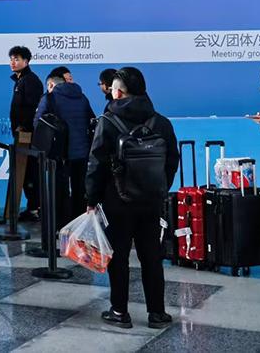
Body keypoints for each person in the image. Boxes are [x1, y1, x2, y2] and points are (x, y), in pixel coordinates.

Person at [87, 67, 179, 331]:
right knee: (152, 256)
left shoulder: (108, 122)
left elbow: (96, 164)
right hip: (151, 201)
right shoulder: (161, 122)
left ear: (117, 93)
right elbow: (172, 160)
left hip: (117, 201)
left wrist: (92, 198)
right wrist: (160, 189)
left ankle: (119, 311)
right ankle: (157, 313)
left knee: (118, 257)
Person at [34, 73, 95, 226]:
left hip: (60, 152)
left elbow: (38, 124)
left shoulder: (49, 98)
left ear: (51, 84)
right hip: (82, 151)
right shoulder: (82, 97)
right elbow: (91, 120)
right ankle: (79, 225)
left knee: (59, 191)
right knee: (80, 190)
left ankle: (59, 225)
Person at [8, 46, 44, 222]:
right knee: (26, 171)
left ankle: (35, 207)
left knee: (30, 171)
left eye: (17, 59)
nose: (13, 62)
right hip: (22, 133)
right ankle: (33, 207)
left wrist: (23, 126)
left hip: (28, 134)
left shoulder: (30, 81)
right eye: (11, 59)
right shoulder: (21, 80)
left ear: (26, 61)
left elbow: (32, 108)